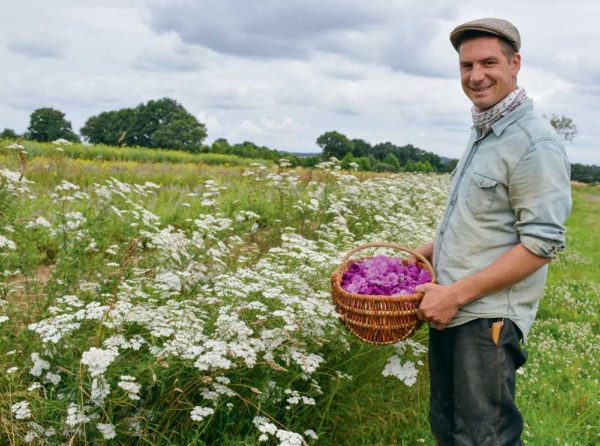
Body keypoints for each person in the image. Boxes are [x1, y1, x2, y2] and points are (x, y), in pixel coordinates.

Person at [409, 18, 572, 445]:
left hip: (486, 319)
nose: (476, 76)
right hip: (452, 308)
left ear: (515, 63)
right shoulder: (484, 131)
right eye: (466, 66)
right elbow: (480, 223)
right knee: (448, 427)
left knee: (485, 438)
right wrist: (420, 256)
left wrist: (456, 294)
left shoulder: (533, 143)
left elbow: (541, 244)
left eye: (488, 63)